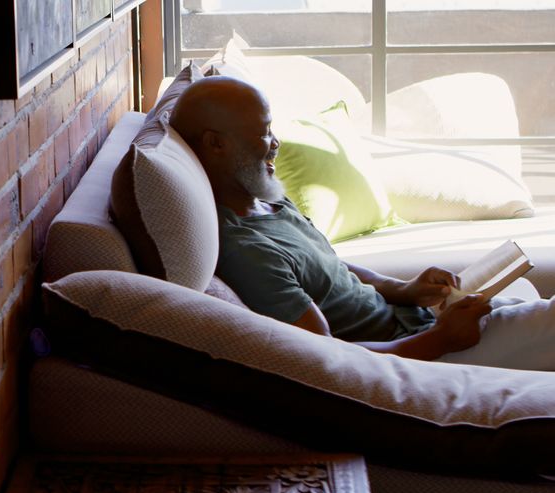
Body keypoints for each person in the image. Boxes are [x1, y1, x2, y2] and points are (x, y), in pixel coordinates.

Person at [168, 75, 555, 370]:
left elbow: (330, 268)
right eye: (264, 132)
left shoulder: (265, 200)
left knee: (528, 301)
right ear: (216, 144)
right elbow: (324, 361)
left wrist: (404, 289)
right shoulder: (247, 253)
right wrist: (441, 340)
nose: (276, 144)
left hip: (419, 324)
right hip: (420, 358)